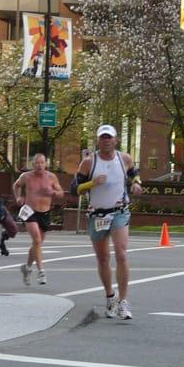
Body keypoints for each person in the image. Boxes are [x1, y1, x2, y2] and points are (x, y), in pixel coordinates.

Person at [71, 124, 142, 320]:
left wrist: (136, 184)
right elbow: (74, 189)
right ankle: (110, 296)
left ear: (116, 140)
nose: (106, 140)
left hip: (119, 211)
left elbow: (134, 174)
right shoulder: (89, 162)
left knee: (121, 254)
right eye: (103, 137)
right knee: (103, 258)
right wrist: (91, 183)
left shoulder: (124, 158)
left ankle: (123, 302)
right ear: (97, 141)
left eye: (109, 137)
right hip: (97, 215)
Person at [13, 153, 64, 285]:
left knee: (37, 243)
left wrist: (53, 193)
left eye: (42, 163)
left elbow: (61, 193)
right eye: (37, 163)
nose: (39, 165)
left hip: (44, 213)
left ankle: (27, 267)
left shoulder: (51, 177)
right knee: (36, 239)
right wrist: (18, 197)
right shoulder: (26, 176)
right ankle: (41, 272)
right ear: (33, 165)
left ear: (45, 164)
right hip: (29, 211)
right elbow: (16, 185)